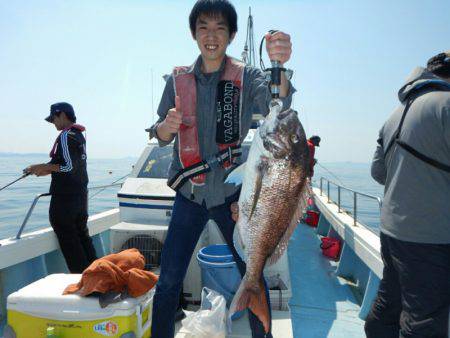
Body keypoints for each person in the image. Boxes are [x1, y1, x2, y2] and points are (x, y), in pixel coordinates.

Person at [146, 1, 295, 337]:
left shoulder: (250, 76)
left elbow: (279, 103)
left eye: (219, 28)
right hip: (189, 195)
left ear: (230, 35)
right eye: (203, 27)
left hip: (233, 198)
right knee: (168, 278)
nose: (211, 35)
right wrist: (166, 128)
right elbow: (158, 133)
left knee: (251, 272)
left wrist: (281, 65)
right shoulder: (177, 79)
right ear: (194, 33)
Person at [365, 51, 450, 337]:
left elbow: (378, 173)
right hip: (432, 237)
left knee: (390, 301)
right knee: (424, 319)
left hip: (392, 232)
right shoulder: (447, 105)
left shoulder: (395, 114)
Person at [25, 102, 97, 273]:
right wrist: (43, 170)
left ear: (62, 115)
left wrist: (42, 166)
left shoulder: (65, 136)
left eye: (54, 119)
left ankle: (82, 281)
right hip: (80, 198)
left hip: (65, 199)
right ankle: (97, 275)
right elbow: (69, 165)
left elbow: (68, 167)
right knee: (82, 236)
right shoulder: (78, 135)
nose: (53, 124)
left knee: (69, 239)